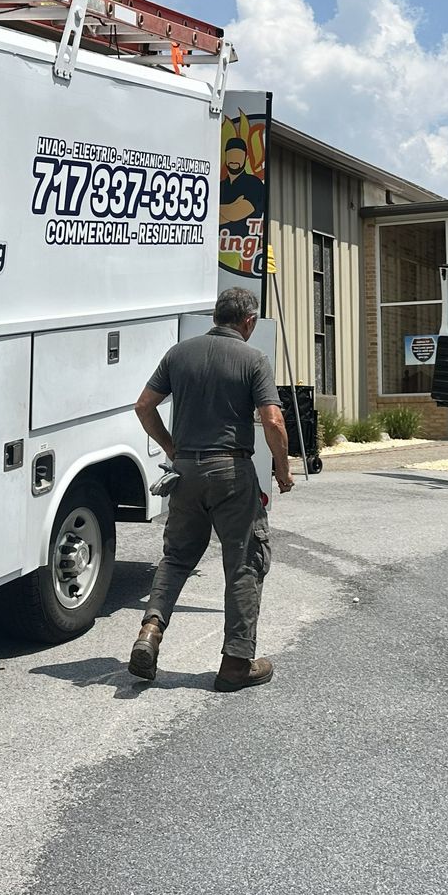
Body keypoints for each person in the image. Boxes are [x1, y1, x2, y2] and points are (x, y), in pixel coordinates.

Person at [130, 286, 294, 691]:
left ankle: (149, 632)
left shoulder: (179, 353)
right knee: (244, 563)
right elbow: (273, 421)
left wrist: (174, 450)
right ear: (249, 321)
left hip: (185, 473)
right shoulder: (254, 359)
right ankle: (236, 664)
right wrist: (283, 471)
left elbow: (143, 406)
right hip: (231, 475)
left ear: (215, 317)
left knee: (177, 558)